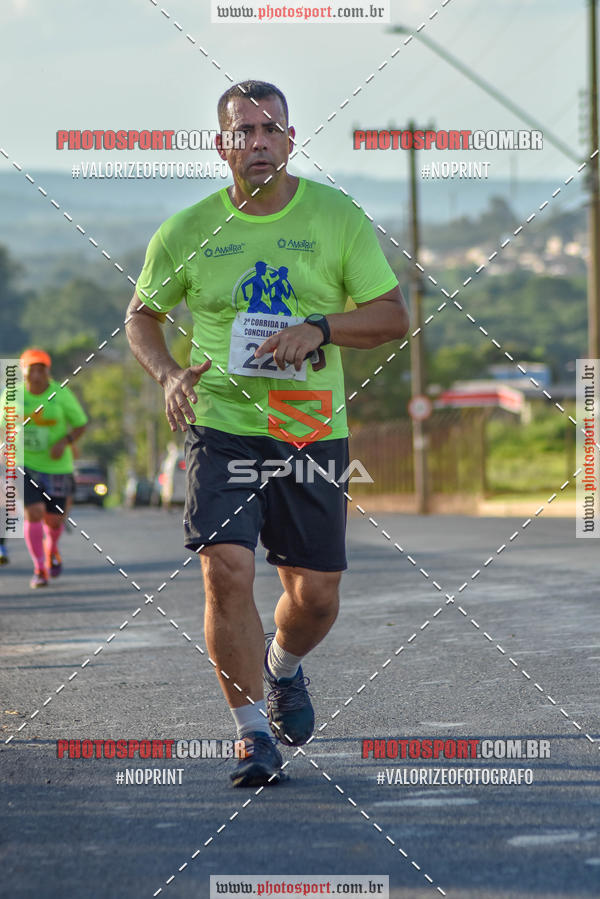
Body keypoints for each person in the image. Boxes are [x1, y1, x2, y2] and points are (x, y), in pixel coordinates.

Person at [125, 80, 409, 788]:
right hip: (223, 422)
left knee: (315, 596)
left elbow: (392, 316)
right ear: (221, 144)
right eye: (243, 131)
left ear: (290, 138)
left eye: (270, 129)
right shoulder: (187, 231)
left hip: (310, 427)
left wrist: (320, 329)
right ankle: (252, 735)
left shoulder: (335, 216)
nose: (258, 142)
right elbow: (141, 316)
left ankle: (283, 666)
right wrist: (167, 374)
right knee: (226, 568)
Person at [18, 349, 88, 588]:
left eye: (41, 369)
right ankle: (40, 568)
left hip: (58, 466)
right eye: (32, 369)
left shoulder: (61, 393)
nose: (37, 375)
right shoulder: (12, 395)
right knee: (35, 512)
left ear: (48, 371)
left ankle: (52, 549)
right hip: (25, 464)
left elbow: (80, 424)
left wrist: (65, 442)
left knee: (54, 520)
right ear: (23, 371)